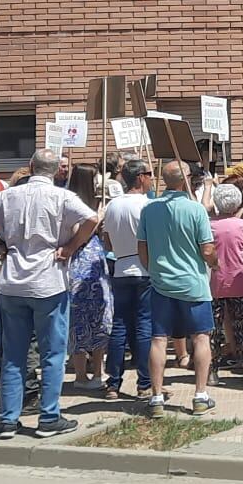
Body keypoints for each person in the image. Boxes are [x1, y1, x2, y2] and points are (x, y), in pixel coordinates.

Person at [0, 148, 101, 440]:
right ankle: (49, 416)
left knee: (13, 354)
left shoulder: (9, 195)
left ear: (30, 166)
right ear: (56, 171)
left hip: (12, 280)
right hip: (48, 280)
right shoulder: (62, 197)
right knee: (52, 353)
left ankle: (8, 419)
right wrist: (70, 248)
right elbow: (92, 219)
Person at [140, 160, 217, 417]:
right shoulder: (196, 210)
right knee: (201, 337)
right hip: (193, 284)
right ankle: (200, 394)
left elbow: (142, 249)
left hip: (161, 282)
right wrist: (215, 263)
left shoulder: (149, 210)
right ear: (186, 180)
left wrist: (154, 270)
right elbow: (207, 249)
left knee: (158, 339)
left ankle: (157, 397)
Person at [101, 159, 156, 398]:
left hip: (121, 267)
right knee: (145, 326)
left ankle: (113, 382)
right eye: (150, 173)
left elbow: (108, 241)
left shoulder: (112, 205)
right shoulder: (147, 205)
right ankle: (145, 383)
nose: (152, 178)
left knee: (120, 326)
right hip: (144, 269)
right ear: (140, 177)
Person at [65, 165, 114, 392]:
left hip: (96, 269)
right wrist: (97, 219)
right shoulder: (71, 204)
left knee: (100, 320)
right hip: (80, 268)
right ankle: (81, 374)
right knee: (79, 321)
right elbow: (77, 234)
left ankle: (97, 371)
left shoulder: (91, 203)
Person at [208, 183, 243, 385]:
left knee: (215, 329)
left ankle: (212, 372)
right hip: (240, 280)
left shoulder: (210, 225)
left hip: (215, 282)